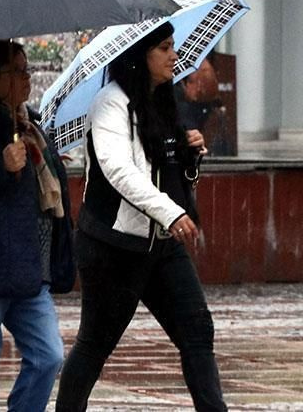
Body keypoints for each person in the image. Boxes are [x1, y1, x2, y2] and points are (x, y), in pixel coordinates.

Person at [55, 22, 227, 411]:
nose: (174, 55)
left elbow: (166, 174)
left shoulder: (163, 101)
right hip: (114, 247)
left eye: (173, 46)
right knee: (95, 344)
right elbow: (120, 172)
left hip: (163, 246)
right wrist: (171, 213)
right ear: (140, 55)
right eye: (164, 48)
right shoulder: (110, 103)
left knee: (198, 332)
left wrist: (188, 154)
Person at [0, 40, 74, 412]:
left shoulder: (31, 126)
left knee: (49, 356)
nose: (27, 78)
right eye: (17, 71)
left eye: (27, 69)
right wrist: (0, 166)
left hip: (31, 270)